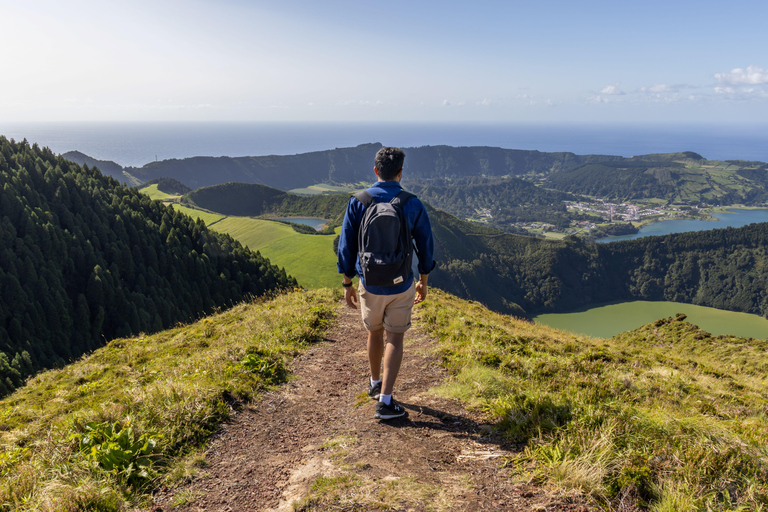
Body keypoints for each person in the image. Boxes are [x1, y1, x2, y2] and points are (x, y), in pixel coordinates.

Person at [337, 146, 435, 420]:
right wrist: (423, 280)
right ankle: (386, 401)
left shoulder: (358, 201)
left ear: (375, 171)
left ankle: (374, 383)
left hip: (369, 283)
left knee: (374, 331)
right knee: (395, 336)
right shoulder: (411, 203)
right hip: (401, 283)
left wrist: (347, 283)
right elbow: (426, 245)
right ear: (401, 173)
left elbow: (345, 246)